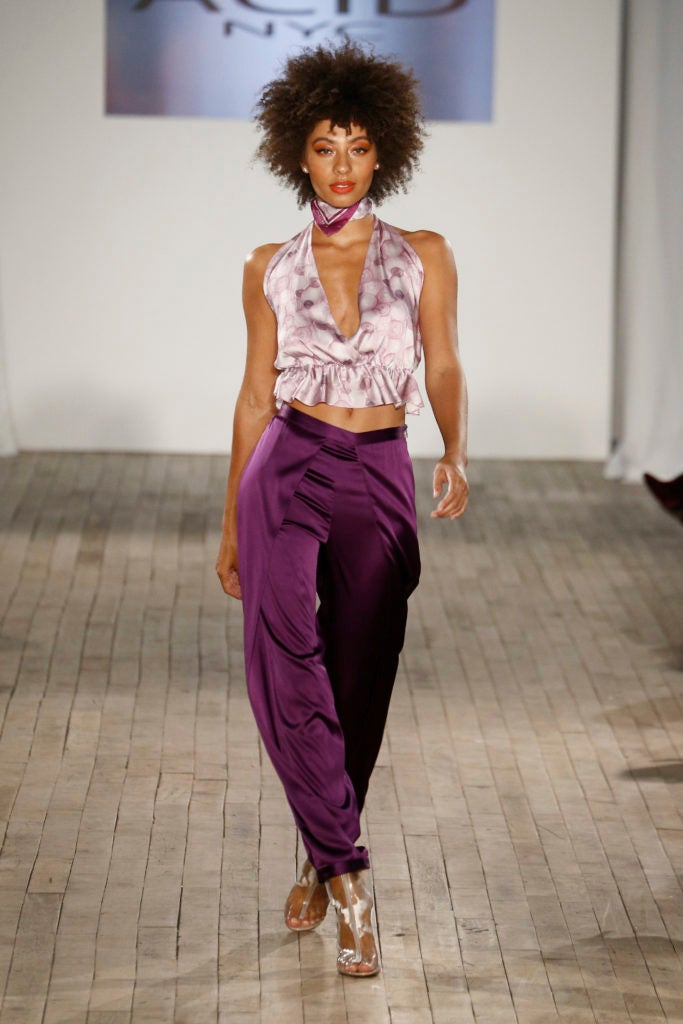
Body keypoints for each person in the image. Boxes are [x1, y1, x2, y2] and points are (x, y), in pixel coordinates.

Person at [216, 40, 468, 977]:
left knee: (360, 677)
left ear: (382, 152)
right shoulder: (266, 265)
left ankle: (319, 853)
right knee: (288, 665)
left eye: (358, 147)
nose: (342, 164)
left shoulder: (424, 255)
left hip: (380, 470)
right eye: (325, 147)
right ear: (298, 153)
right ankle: (352, 879)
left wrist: (455, 450)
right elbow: (254, 396)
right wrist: (230, 522)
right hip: (287, 468)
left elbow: (443, 361)